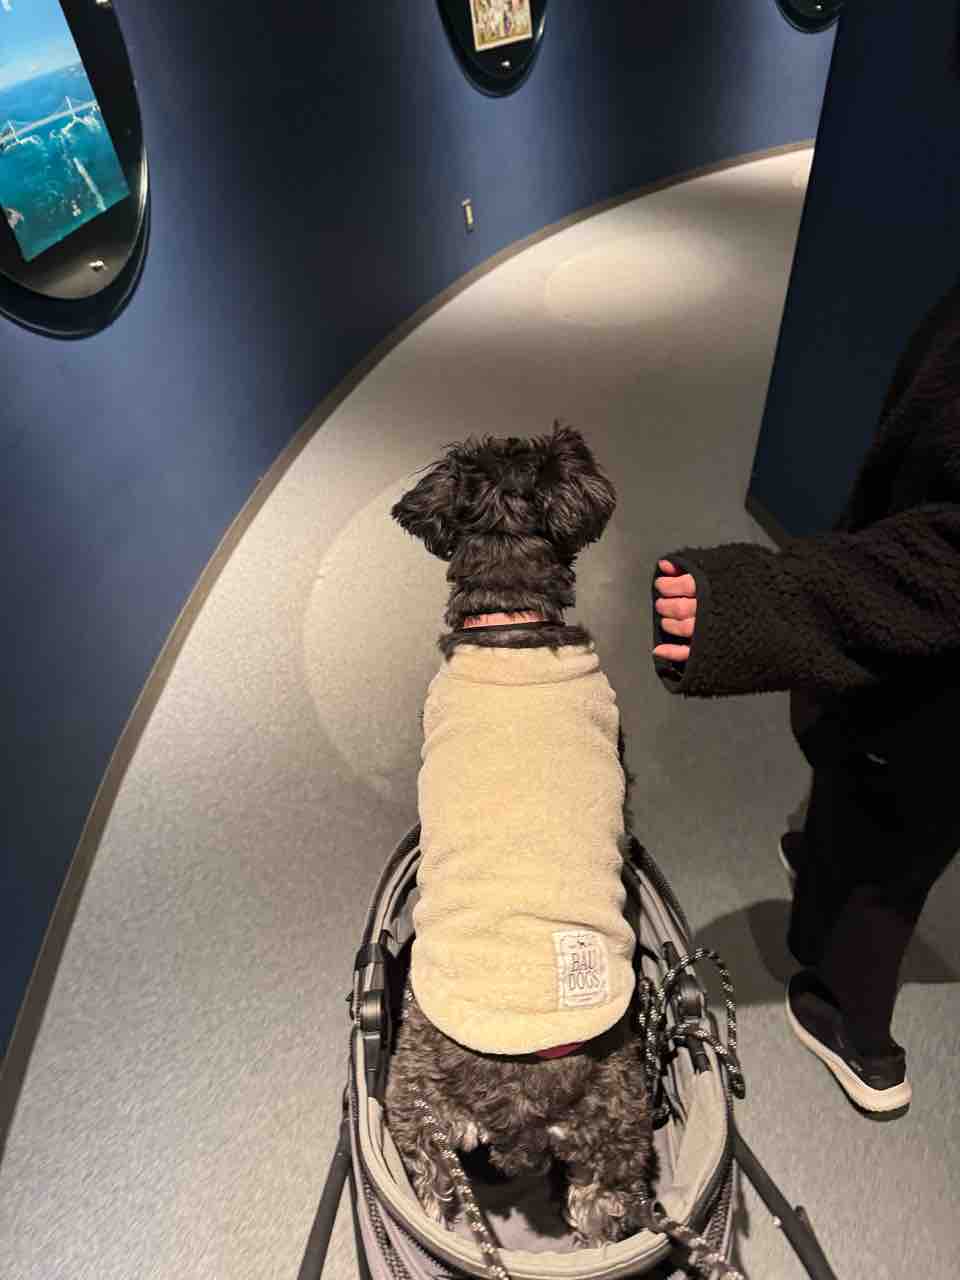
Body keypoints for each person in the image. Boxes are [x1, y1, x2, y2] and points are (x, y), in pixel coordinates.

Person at [650, 278, 960, 1116]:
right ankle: (823, 858)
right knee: (859, 771)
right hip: (896, 622)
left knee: (895, 835)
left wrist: (764, 603)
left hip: (933, 686)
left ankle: (850, 1021)